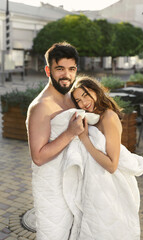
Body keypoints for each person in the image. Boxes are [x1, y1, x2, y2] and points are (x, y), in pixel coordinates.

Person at [69, 75, 143, 239]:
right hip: (95, 184)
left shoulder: (109, 117)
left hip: (111, 187)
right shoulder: (92, 117)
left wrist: (85, 140)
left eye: (85, 95)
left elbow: (112, 165)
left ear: (95, 91)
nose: (83, 103)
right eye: (78, 100)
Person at [26, 42, 85, 240]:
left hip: (74, 182)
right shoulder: (41, 107)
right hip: (51, 188)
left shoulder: (71, 97)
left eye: (71, 69)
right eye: (59, 69)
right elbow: (38, 157)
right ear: (48, 70)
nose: (66, 75)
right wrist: (70, 133)